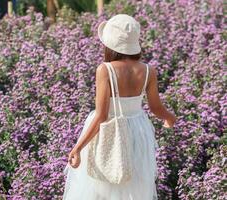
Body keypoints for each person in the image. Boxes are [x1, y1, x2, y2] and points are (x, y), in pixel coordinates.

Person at [62, 14, 177, 199]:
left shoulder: (105, 69)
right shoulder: (148, 70)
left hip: (109, 129)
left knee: (102, 185)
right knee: (135, 183)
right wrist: (170, 117)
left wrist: (77, 148)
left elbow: (101, 115)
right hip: (138, 130)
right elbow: (156, 108)